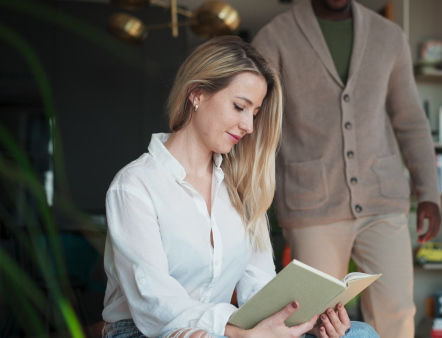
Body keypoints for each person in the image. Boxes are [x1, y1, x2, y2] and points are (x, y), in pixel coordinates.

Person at [101, 36, 379, 338]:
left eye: (255, 114)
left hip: (229, 330)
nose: (248, 125)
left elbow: (259, 289)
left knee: (357, 334)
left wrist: (303, 319)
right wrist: (236, 332)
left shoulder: (240, 188)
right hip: (146, 331)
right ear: (197, 94)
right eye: (239, 107)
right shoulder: (135, 186)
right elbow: (155, 304)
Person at [252, 1, 442, 337]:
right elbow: (256, 119)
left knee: (396, 312)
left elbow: (410, 119)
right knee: (316, 319)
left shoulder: (388, 36)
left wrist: (429, 191)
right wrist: (247, 198)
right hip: (312, 203)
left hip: (382, 198)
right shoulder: (274, 37)